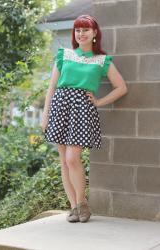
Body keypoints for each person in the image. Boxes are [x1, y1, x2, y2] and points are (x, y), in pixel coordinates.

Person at [41, 14, 128, 223]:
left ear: (94, 33)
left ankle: (82, 204)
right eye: (77, 30)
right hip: (60, 107)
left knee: (72, 158)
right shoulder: (64, 55)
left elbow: (122, 87)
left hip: (82, 110)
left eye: (85, 30)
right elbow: (51, 88)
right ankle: (73, 207)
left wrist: (99, 102)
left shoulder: (102, 60)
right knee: (63, 161)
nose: (81, 34)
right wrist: (45, 115)